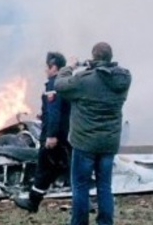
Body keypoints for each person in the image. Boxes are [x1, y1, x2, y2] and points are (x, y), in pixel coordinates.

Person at [55, 42, 131, 225]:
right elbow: (105, 76)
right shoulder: (124, 78)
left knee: (80, 186)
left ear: (94, 57)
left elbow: (59, 84)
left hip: (84, 143)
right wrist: (95, 67)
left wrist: (69, 67)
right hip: (109, 142)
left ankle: (79, 222)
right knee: (105, 186)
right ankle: (105, 222)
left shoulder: (84, 80)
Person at [14, 52, 72, 213]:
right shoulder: (65, 83)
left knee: (47, 166)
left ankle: (33, 202)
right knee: (56, 168)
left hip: (55, 135)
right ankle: (34, 201)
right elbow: (59, 110)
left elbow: (55, 112)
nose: (45, 70)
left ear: (53, 67)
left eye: (46, 67)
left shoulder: (53, 85)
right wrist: (43, 114)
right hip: (65, 133)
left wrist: (51, 135)